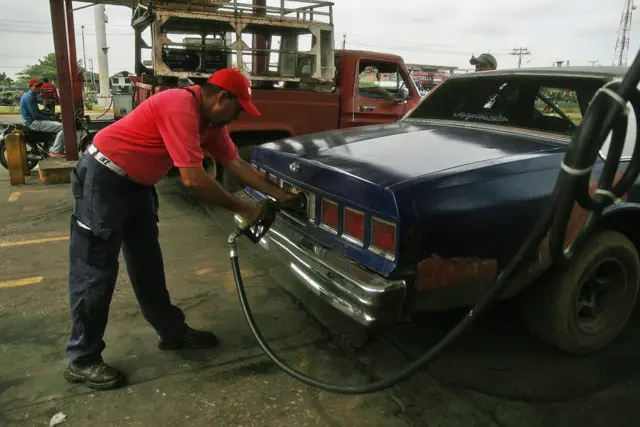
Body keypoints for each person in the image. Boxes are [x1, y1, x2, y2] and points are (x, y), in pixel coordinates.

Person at [64, 68, 296, 390]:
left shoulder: (213, 123)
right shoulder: (178, 105)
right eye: (238, 109)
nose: (238, 117)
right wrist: (245, 208)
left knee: (148, 264)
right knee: (95, 272)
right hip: (103, 180)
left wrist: (282, 195)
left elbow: (236, 164)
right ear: (222, 98)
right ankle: (82, 358)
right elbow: (193, 179)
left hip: (139, 185)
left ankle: (172, 333)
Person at [19, 78, 65, 157]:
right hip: (33, 122)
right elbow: (35, 115)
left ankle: (53, 147)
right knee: (63, 128)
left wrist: (52, 114)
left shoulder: (31, 96)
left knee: (58, 125)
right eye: (36, 86)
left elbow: (38, 112)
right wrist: (50, 118)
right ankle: (55, 151)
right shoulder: (29, 97)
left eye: (39, 86)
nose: (38, 88)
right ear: (30, 87)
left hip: (33, 121)